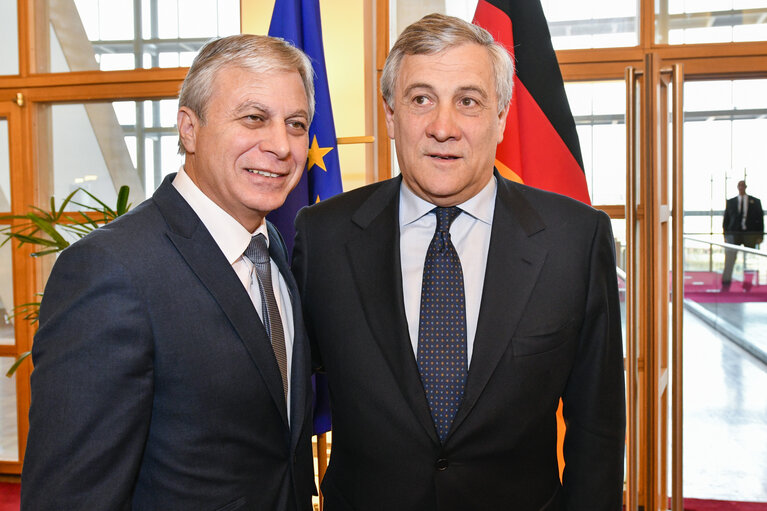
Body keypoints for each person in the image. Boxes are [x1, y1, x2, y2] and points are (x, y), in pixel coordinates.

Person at [292, 13, 625, 511]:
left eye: (468, 101)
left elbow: (597, 424)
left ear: (501, 116)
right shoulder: (322, 235)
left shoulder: (575, 239)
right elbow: (288, 401)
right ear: (390, 115)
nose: (442, 128)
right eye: (421, 99)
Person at [22, 34, 315, 510]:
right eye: (253, 118)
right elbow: (71, 496)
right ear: (189, 128)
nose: (282, 145)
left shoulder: (272, 247)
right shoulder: (111, 270)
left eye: (296, 124)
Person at [722, 180, 764, 290]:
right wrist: (725, 235)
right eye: (739, 185)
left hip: (750, 233)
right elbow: (726, 219)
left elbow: (760, 219)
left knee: (749, 260)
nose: (741, 187)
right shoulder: (731, 202)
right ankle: (726, 283)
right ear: (737, 187)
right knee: (730, 259)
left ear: (746, 187)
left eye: (743, 185)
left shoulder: (755, 201)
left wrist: (760, 235)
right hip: (733, 233)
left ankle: (748, 284)